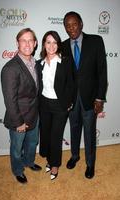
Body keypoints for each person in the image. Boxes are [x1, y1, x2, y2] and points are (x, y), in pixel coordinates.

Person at [62, 11, 108, 178]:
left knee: (89, 133)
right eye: (67, 25)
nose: (71, 28)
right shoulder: (63, 46)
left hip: (90, 98)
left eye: (74, 24)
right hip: (72, 100)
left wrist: (99, 98)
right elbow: (64, 76)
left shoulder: (96, 41)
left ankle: (90, 164)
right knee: (74, 130)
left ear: (81, 24)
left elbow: (102, 72)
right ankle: (75, 156)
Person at [1, 28, 42, 184]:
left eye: (30, 40)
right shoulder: (10, 68)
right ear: (17, 43)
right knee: (17, 147)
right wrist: (18, 122)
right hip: (19, 117)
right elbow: (10, 99)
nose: (27, 44)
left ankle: (29, 162)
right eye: (23, 40)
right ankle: (18, 169)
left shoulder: (36, 63)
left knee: (32, 143)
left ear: (35, 43)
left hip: (34, 114)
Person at [37, 31, 74, 180]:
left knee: (56, 136)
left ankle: (55, 165)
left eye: (54, 42)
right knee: (45, 134)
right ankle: (49, 160)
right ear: (44, 44)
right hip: (44, 104)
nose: (51, 46)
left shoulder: (65, 61)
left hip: (60, 106)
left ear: (58, 44)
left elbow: (72, 84)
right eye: (48, 42)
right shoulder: (39, 63)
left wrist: (69, 103)